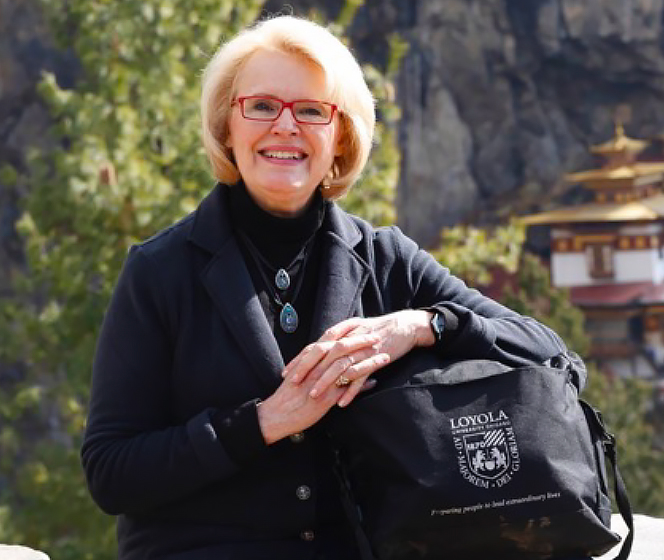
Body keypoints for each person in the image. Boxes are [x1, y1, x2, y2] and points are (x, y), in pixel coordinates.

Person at [81, 15, 568, 560]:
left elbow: (551, 354)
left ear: (341, 137)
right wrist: (264, 422)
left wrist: (422, 325)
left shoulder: (386, 259)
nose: (285, 126)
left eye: (311, 111)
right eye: (262, 106)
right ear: (227, 126)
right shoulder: (159, 269)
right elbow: (111, 472)